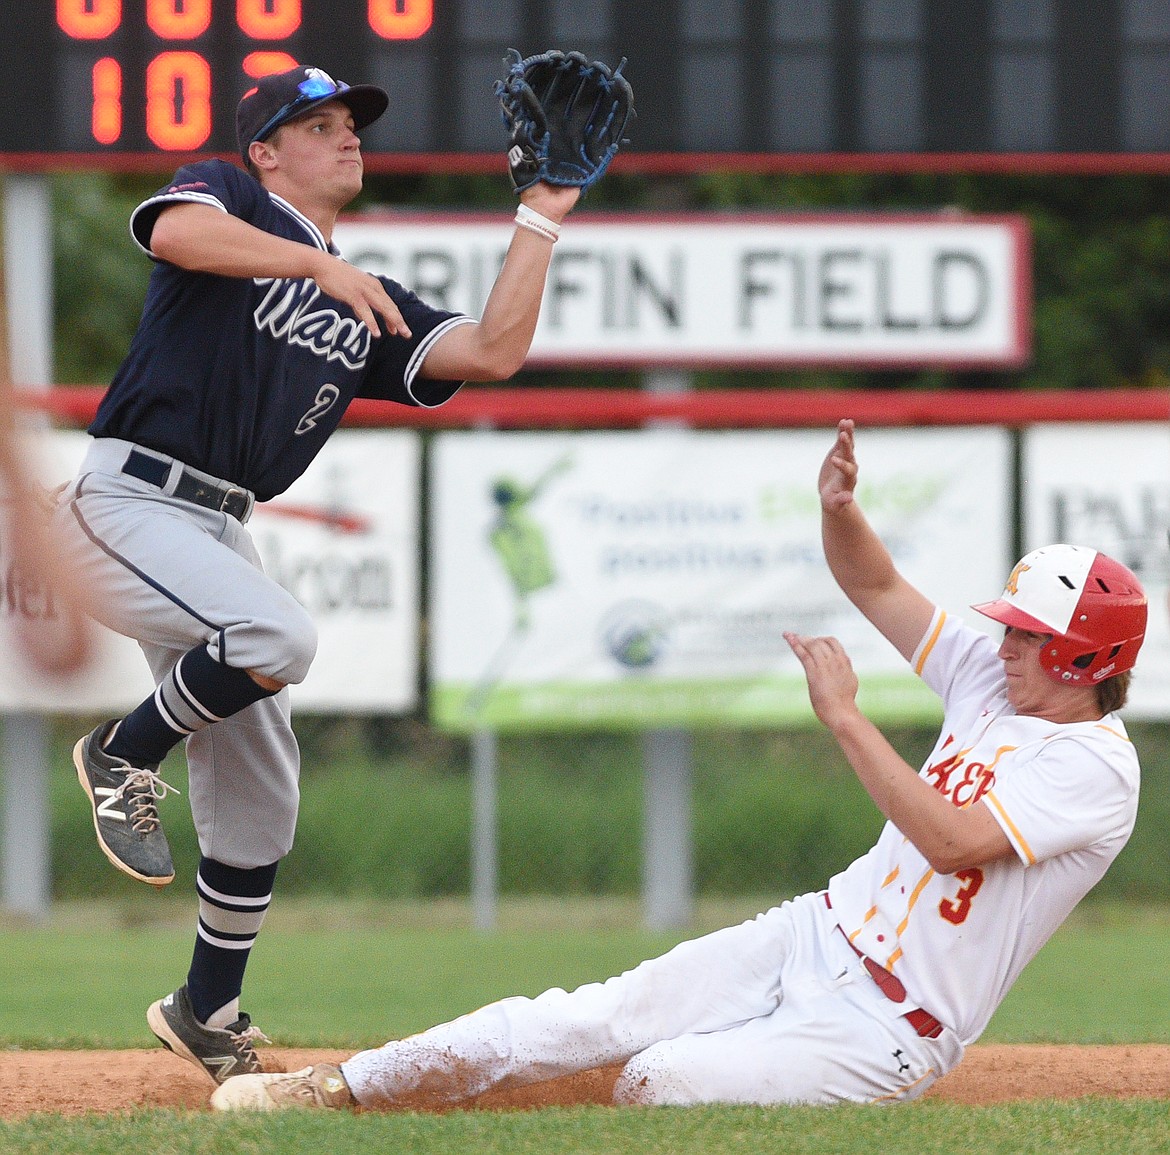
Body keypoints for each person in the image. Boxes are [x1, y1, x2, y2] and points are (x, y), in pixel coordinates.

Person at [209, 417, 1148, 1113]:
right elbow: (871, 581)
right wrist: (841, 511)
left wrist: (846, 719)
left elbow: (951, 843)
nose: (1006, 641)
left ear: (1081, 659)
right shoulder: (995, 681)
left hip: (888, 1028)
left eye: (1029, 633)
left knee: (659, 1079)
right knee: (587, 1017)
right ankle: (333, 1090)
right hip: (815, 934)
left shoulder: (1098, 768)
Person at [49, 63, 585, 1085]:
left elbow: (491, 351)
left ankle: (205, 1008)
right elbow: (170, 234)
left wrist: (541, 215)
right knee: (278, 639)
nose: (348, 139)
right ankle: (121, 755)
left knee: (262, 777)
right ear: (265, 150)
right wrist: (319, 267)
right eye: (321, 124)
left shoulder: (361, 297)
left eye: (352, 124)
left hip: (214, 527)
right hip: (127, 498)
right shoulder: (233, 197)